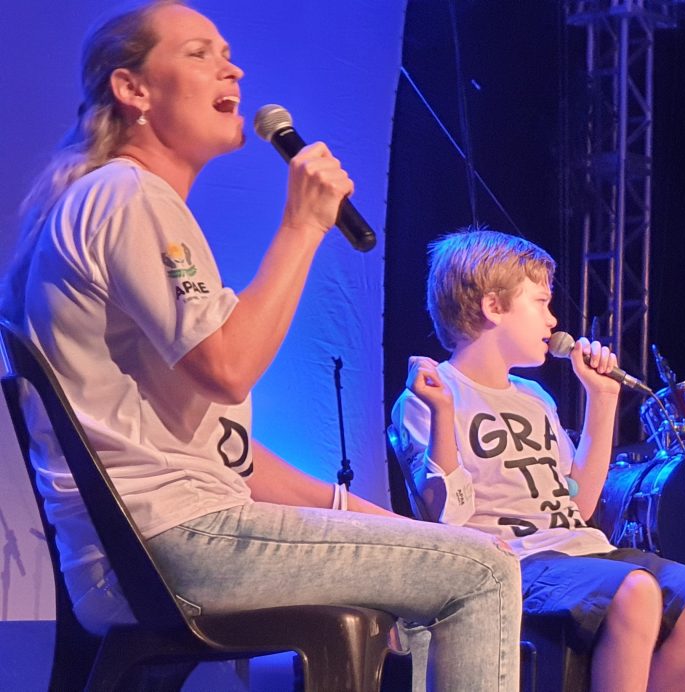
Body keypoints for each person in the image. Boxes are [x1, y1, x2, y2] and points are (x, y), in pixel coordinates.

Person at [1, 3, 521, 689]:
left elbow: (236, 458)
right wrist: (303, 225)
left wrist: (412, 531)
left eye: (227, 52)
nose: (234, 69)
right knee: (485, 572)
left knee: (452, 562)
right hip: (174, 545)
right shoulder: (129, 195)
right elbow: (229, 366)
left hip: (149, 551)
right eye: (199, 53)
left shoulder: (121, 202)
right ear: (132, 89)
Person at [388, 228, 685, 692]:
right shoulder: (429, 397)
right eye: (541, 303)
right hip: (517, 562)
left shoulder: (535, 397)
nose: (553, 320)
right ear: (493, 307)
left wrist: (602, 399)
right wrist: (444, 414)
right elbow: (446, 516)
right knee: (635, 591)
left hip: (582, 551)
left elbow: (580, 504)